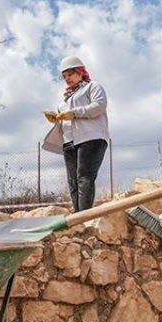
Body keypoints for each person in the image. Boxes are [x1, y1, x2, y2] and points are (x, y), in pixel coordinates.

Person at [42, 56, 109, 212]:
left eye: (70, 74)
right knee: (73, 181)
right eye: (64, 76)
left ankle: (84, 215)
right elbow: (68, 119)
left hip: (91, 138)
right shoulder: (64, 101)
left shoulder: (93, 87)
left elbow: (99, 106)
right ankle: (77, 215)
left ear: (80, 72)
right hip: (69, 142)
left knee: (84, 176)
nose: (67, 79)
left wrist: (74, 113)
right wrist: (56, 118)